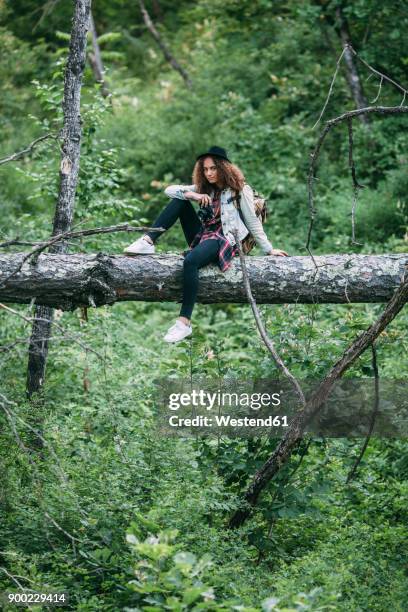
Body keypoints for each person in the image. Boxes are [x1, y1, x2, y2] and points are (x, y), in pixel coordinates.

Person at [124, 146, 288, 343]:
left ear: (224, 168)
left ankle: (183, 323)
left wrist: (269, 249)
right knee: (180, 201)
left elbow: (252, 222)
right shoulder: (205, 188)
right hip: (204, 235)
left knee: (191, 261)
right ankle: (148, 241)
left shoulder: (239, 189)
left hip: (223, 240)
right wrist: (193, 195)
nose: (209, 173)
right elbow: (170, 190)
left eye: (213, 168)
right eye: (205, 169)